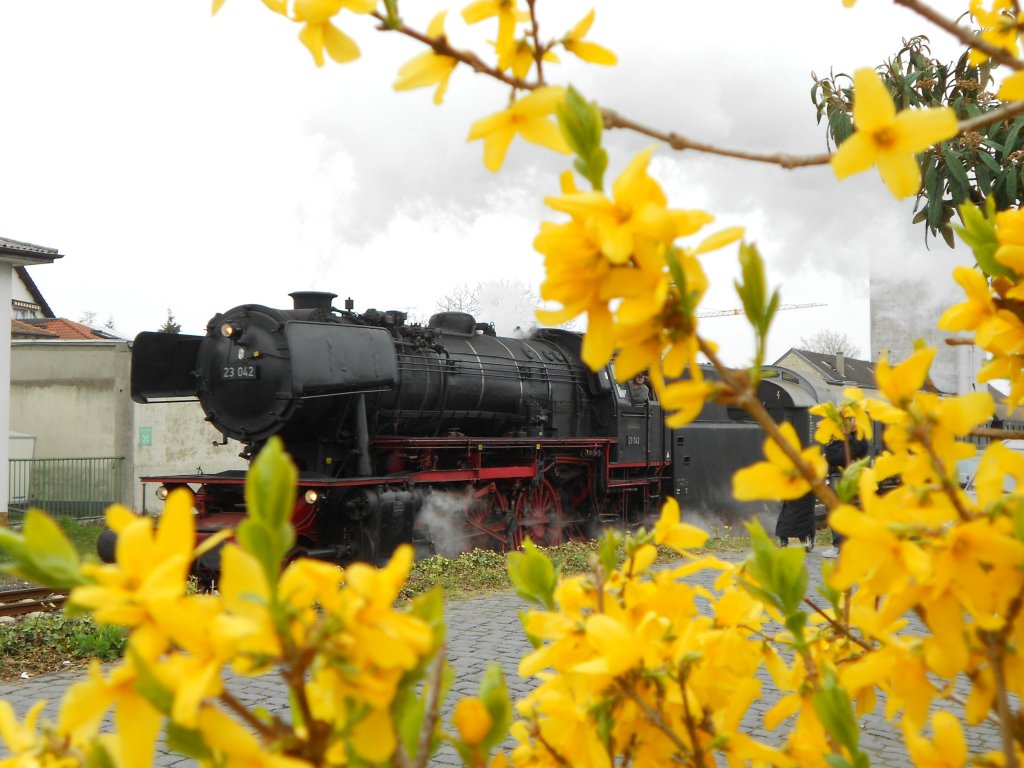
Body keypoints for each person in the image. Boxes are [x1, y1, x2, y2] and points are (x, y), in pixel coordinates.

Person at [820, 421, 870, 558]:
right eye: (848, 419)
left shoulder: (858, 437)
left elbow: (857, 450)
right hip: (836, 476)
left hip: (849, 477)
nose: (852, 423)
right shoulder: (837, 436)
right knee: (835, 511)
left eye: (854, 419)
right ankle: (838, 545)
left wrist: (833, 456)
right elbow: (832, 453)